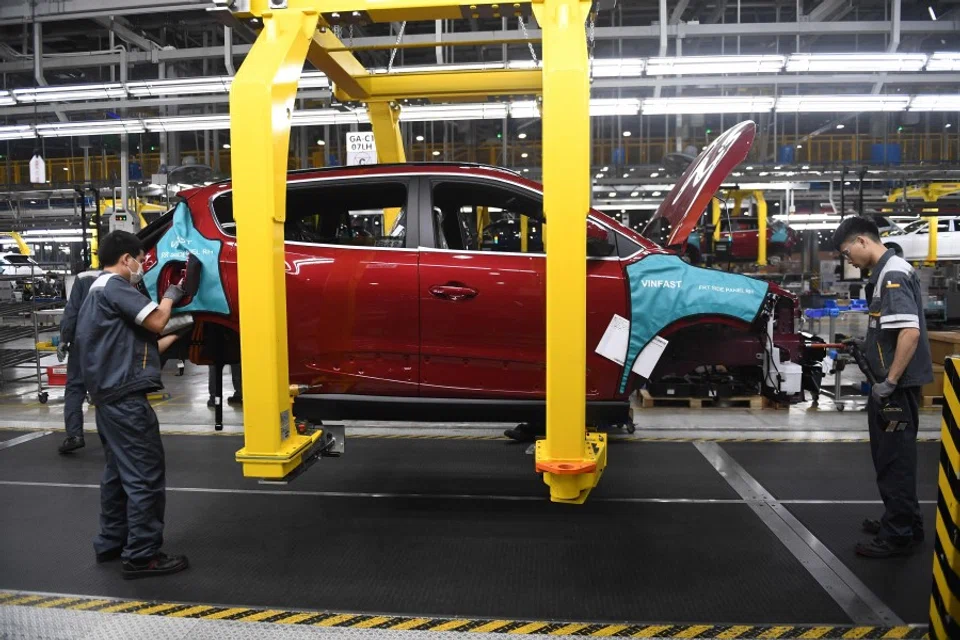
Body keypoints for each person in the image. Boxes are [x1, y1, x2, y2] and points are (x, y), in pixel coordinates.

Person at [73, 230, 191, 579]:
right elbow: (156, 320)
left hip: (109, 399)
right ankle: (142, 555)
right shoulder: (114, 286)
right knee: (144, 476)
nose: (141, 267)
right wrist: (171, 296)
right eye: (139, 260)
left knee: (117, 474)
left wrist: (184, 329)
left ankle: (112, 542)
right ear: (126, 259)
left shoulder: (95, 294)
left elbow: (140, 345)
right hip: (125, 402)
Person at [832, 217, 932, 558]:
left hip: (896, 390)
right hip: (893, 386)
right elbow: (891, 330)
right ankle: (903, 520)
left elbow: (909, 332)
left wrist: (890, 381)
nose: (849, 261)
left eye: (847, 253)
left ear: (862, 241)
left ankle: (898, 534)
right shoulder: (887, 272)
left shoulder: (891, 275)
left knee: (895, 460)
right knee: (892, 457)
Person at [56, 267, 102, 454]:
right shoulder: (119, 278)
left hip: (82, 341)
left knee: (75, 387)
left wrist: (64, 338)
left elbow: (72, 311)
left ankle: (74, 435)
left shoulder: (82, 278)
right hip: (110, 343)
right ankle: (114, 437)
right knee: (108, 390)